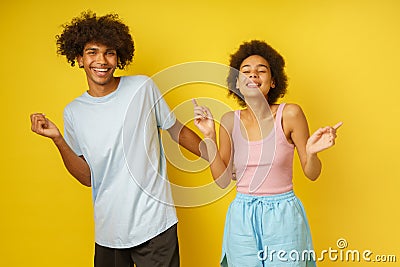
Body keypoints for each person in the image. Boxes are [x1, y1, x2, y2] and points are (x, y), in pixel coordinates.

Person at [30, 11, 206, 267]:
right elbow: (87, 177)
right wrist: (57, 139)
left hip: (155, 224)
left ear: (118, 57)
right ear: (79, 58)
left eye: (109, 52)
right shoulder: (74, 112)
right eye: (92, 52)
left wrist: (219, 158)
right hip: (109, 230)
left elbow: (176, 130)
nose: (101, 60)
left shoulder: (142, 88)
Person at [193, 40, 342, 266]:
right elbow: (222, 181)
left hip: (283, 216)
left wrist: (311, 153)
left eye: (261, 71)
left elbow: (312, 173)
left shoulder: (290, 114)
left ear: (272, 82)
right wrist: (210, 137)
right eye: (246, 72)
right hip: (241, 217)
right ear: (237, 83)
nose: (253, 75)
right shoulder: (228, 121)